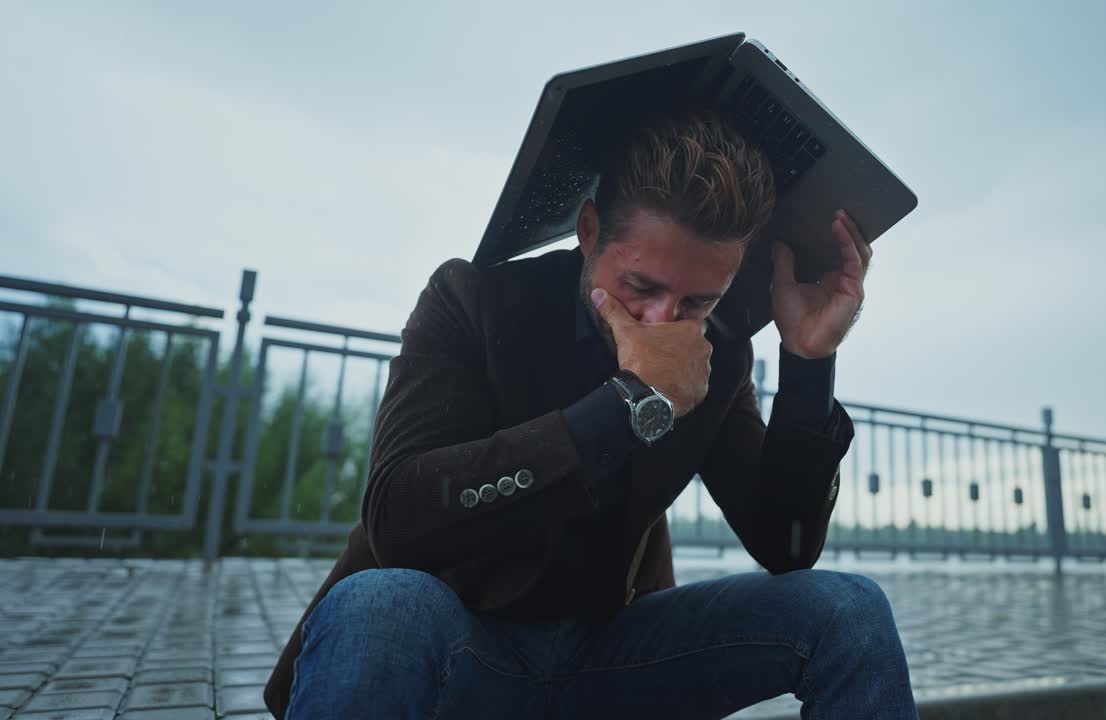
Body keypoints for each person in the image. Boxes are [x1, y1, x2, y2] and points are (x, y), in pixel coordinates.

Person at [264, 107, 918, 719]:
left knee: (848, 610)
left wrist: (808, 363)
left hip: (615, 658)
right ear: (587, 231)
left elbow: (788, 546)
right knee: (378, 605)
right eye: (641, 287)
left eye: (696, 302)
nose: (664, 322)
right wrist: (628, 405)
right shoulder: (472, 301)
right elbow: (398, 519)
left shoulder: (714, 355)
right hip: (461, 647)